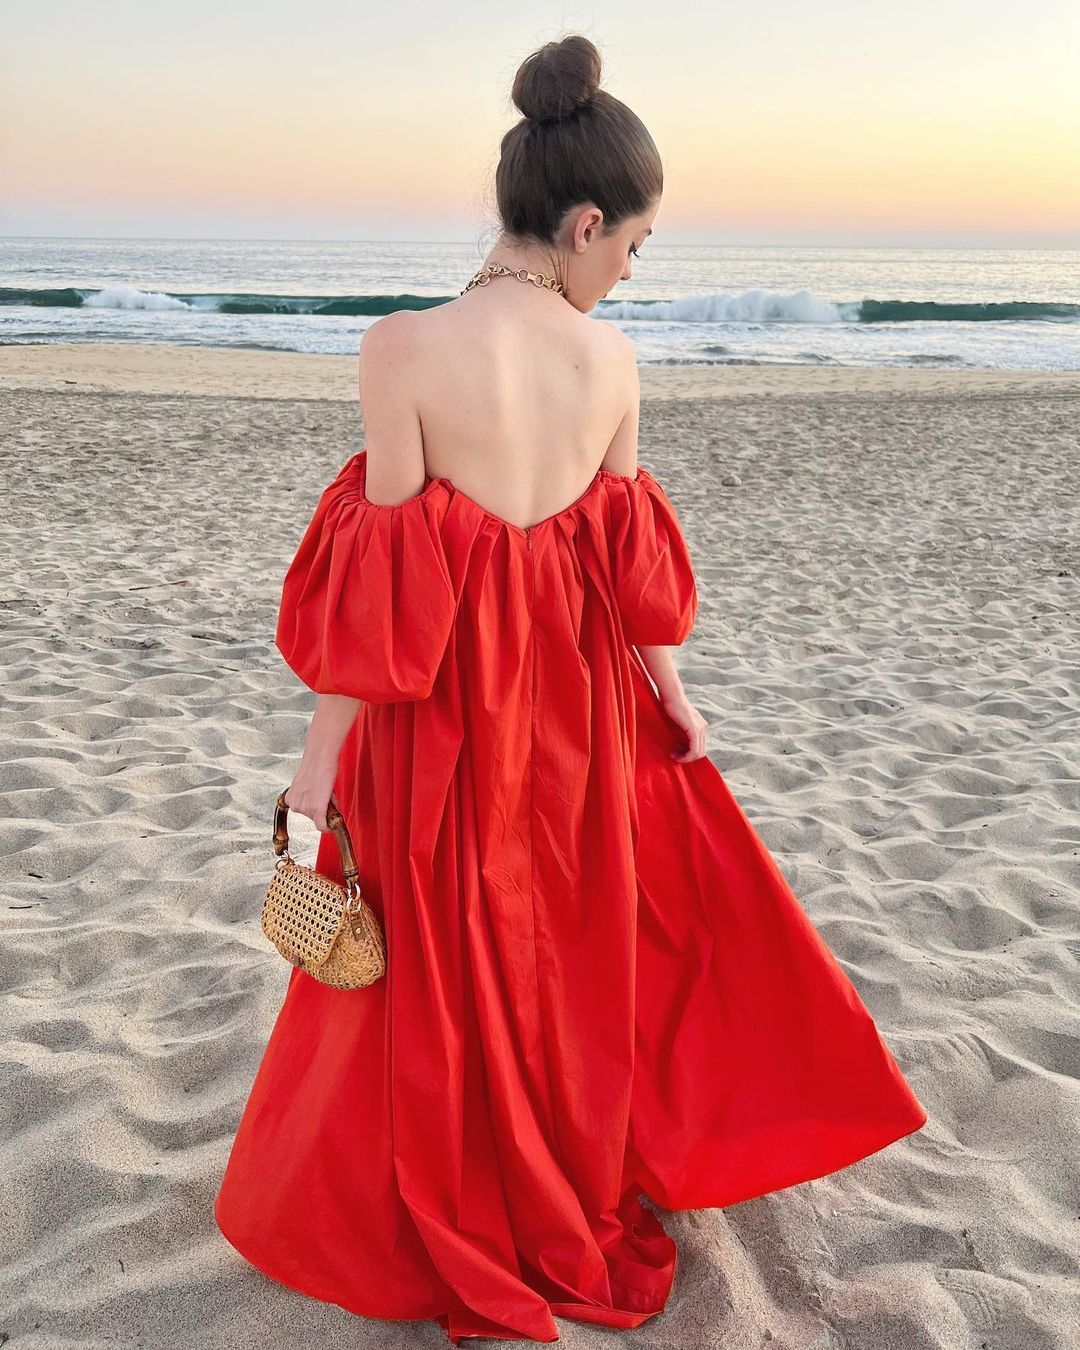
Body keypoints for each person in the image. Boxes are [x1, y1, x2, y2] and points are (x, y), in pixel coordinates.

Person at [214, 33, 927, 1345]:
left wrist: (317, 770)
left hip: (446, 705)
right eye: (634, 246)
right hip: (581, 703)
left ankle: (468, 1173)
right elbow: (622, 563)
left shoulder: (401, 349)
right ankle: (568, 1161)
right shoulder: (611, 364)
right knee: (571, 941)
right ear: (585, 222)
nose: (630, 273)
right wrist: (671, 691)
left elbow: (385, 597)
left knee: (446, 949)